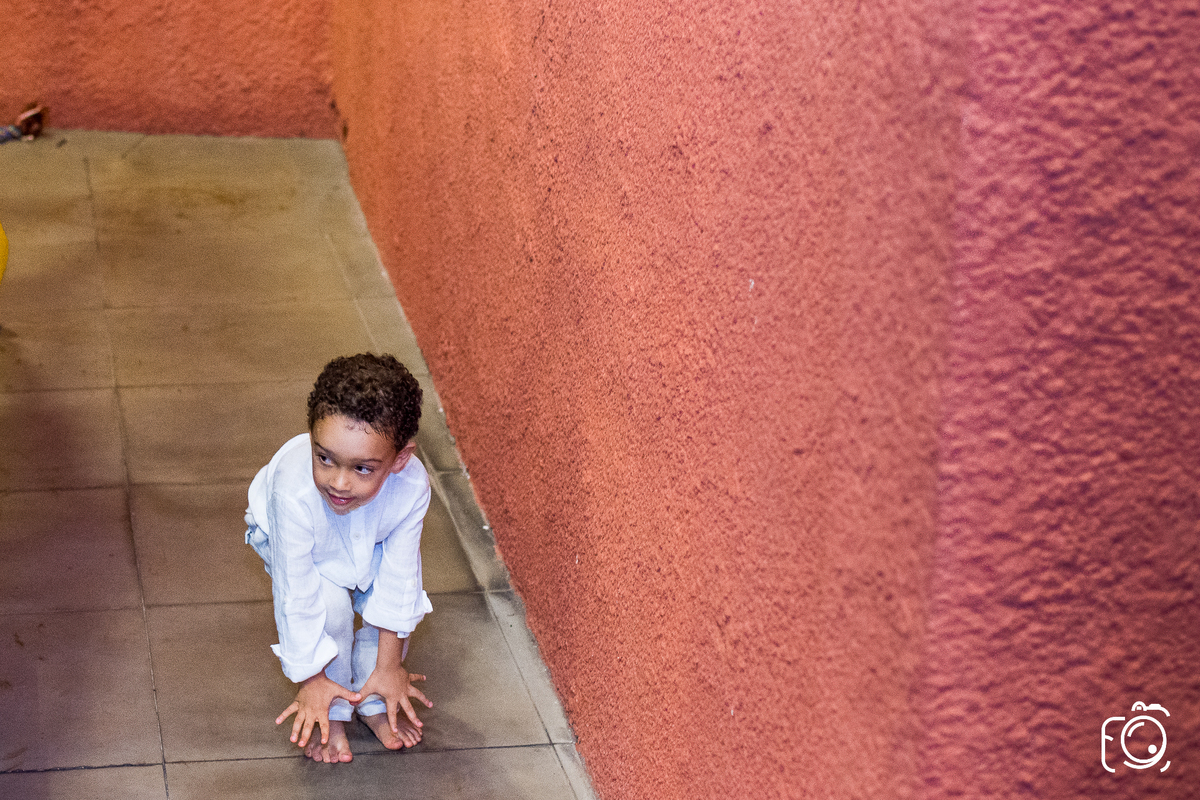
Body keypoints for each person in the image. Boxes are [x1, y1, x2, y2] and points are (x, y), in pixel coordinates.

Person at [245, 353, 434, 763]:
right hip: (300, 542)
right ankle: (328, 708)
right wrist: (311, 678)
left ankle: (371, 694)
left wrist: (389, 667)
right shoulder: (292, 492)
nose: (339, 482)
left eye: (363, 468)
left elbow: (400, 579)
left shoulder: (412, 486)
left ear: (400, 459)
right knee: (329, 606)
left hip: (370, 539)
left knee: (392, 592)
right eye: (324, 457)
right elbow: (296, 594)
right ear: (312, 436)